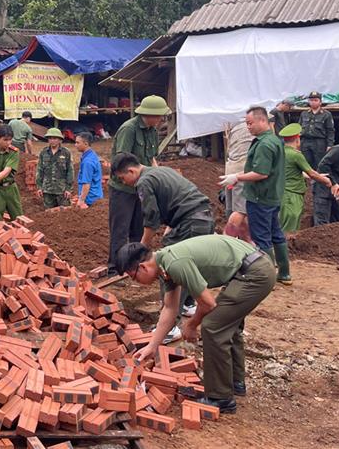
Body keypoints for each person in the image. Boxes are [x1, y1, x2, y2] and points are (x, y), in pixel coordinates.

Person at [117, 236, 275, 414]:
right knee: (227, 322)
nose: (135, 282)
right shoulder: (164, 265)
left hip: (255, 273)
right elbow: (170, 309)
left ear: (143, 267)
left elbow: (208, 303)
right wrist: (152, 346)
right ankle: (234, 382)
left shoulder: (175, 263)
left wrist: (191, 325)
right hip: (250, 269)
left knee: (213, 325)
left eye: (134, 277)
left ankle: (221, 398)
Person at [113, 152, 216, 332]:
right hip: (203, 217)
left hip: (190, 222)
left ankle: (170, 325)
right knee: (189, 262)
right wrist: (171, 226)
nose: (124, 183)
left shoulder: (143, 182)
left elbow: (151, 219)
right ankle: (188, 304)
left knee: (167, 267)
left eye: (122, 178)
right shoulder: (161, 171)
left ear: (131, 171)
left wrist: (141, 248)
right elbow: (174, 201)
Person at [220, 107, 290, 285]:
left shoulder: (264, 145)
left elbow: (261, 173)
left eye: (250, 123)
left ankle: (266, 276)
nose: (248, 127)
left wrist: (237, 177)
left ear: (263, 121)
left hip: (260, 196)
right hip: (273, 195)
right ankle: (284, 273)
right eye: (246, 123)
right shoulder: (274, 140)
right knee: (276, 234)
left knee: (261, 237)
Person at [106, 95, 171, 275]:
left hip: (142, 187)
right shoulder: (129, 129)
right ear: (148, 114)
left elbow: (151, 158)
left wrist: (157, 175)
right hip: (123, 188)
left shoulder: (152, 131)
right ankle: (115, 268)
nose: (160, 121)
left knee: (138, 227)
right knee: (120, 229)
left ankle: (134, 263)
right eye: (158, 117)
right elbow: (122, 160)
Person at [279, 124, 332, 237]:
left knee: (282, 222)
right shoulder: (296, 155)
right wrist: (326, 181)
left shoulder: (281, 153)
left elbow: (292, 171)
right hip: (292, 194)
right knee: (290, 226)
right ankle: (286, 251)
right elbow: (311, 173)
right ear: (298, 139)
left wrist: (317, 175)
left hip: (282, 193)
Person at [223, 120, 253, 242]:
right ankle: (225, 244)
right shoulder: (255, 131)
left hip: (230, 171)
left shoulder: (235, 127)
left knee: (236, 211)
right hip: (243, 173)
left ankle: (246, 242)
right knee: (240, 212)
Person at [35, 128, 75, 208]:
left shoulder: (66, 153)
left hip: (62, 190)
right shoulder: (43, 152)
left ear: (60, 140)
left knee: (64, 214)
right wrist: (39, 187)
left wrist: (68, 189)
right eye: (50, 138)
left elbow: (70, 171)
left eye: (55, 138)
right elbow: (40, 170)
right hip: (47, 190)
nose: (52, 140)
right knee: (49, 214)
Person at [298, 91, 334, 169]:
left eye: (315, 100)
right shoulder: (304, 114)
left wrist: (329, 145)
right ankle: (306, 180)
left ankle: (317, 180)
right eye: (311, 100)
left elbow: (330, 130)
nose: (313, 102)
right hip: (305, 142)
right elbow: (299, 128)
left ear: (320, 102)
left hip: (319, 142)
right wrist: (297, 143)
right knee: (305, 163)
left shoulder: (326, 114)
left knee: (319, 163)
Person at [74, 132, 103, 207]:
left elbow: (86, 183)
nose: (75, 145)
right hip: (96, 195)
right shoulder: (92, 155)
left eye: (77, 143)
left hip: (90, 199)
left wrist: (81, 200)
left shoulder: (87, 162)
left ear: (86, 144)